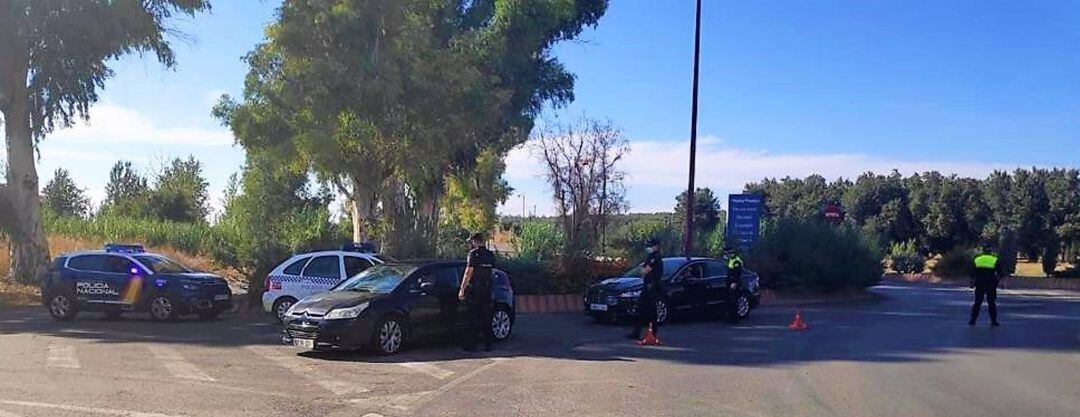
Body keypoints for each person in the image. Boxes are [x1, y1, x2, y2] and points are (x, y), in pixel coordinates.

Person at [459, 232, 496, 351]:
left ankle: (472, 345)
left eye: (472, 241)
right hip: (487, 289)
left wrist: (462, 289)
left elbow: (468, 272)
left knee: (473, 317)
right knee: (487, 317)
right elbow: (492, 271)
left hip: (476, 290)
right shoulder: (490, 255)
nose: (471, 243)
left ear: (475, 241)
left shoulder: (473, 254)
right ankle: (488, 344)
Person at [628, 238, 664, 340]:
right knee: (641, 308)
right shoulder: (651, 256)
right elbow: (643, 270)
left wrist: (644, 271)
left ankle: (652, 333)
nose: (649, 247)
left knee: (651, 310)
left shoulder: (655, 257)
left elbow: (645, 270)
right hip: (647, 285)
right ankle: (637, 332)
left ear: (656, 246)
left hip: (652, 286)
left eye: (651, 245)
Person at [969, 243, 1002, 327]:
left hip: (979, 283)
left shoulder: (977, 259)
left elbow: (972, 272)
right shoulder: (994, 259)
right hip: (991, 283)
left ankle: (973, 320)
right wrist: (999, 281)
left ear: (983, 251)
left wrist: (972, 282)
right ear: (991, 251)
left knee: (977, 302)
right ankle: (993, 321)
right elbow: (1000, 272)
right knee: (991, 302)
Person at [723, 246, 744, 315]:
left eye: (726, 254)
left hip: (734, 283)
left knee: (734, 299)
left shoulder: (736, 261)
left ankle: (735, 315)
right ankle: (730, 314)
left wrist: (735, 282)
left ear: (730, 253)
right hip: (730, 282)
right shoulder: (730, 260)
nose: (726, 255)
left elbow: (737, 273)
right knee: (729, 299)